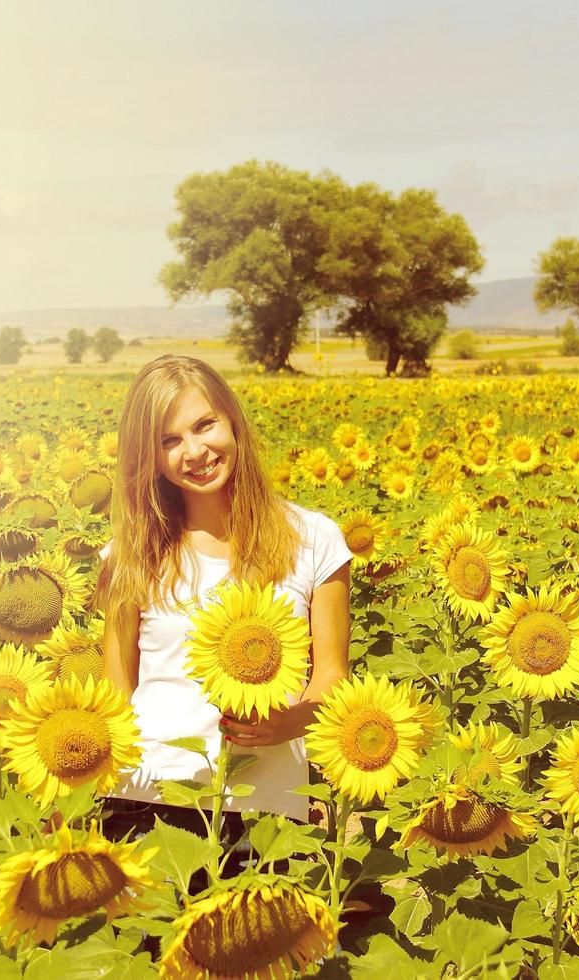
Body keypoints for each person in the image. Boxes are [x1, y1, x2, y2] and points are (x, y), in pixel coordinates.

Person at [95, 354, 352, 847]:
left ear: (231, 420)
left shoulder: (315, 539)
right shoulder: (131, 553)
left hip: (267, 804)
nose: (194, 451)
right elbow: (117, 688)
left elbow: (331, 675)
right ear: (149, 457)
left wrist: (288, 722)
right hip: (147, 795)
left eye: (204, 425)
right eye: (169, 441)